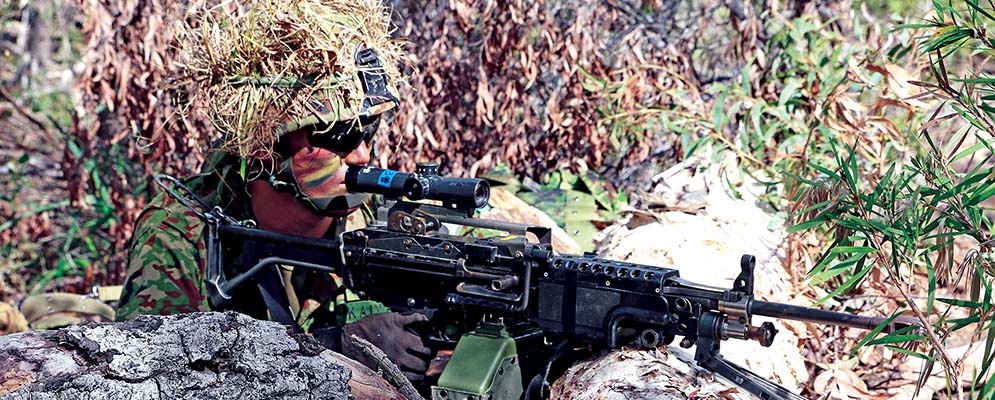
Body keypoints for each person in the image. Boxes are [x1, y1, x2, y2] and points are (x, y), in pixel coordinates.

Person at [116, 0, 432, 383]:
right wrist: (330, 350)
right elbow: (148, 374)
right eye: (339, 135)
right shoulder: (183, 231)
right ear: (267, 147)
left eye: (367, 131)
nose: (362, 154)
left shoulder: (381, 220)